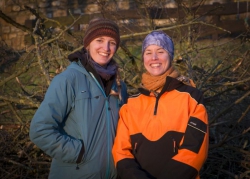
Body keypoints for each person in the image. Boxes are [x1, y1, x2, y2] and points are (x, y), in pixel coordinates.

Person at [29, 18, 128, 179]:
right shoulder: (69, 80)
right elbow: (40, 130)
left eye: (112, 42)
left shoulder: (119, 86)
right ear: (88, 43)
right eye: (99, 40)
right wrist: (79, 153)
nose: (106, 48)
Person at [112, 30, 209, 179]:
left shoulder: (192, 98)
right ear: (143, 57)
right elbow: (121, 151)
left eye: (160, 51)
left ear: (170, 56)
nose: (154, 58)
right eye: (148, 52)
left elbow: (195, 151)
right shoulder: (131, 103)